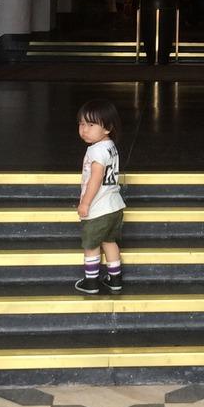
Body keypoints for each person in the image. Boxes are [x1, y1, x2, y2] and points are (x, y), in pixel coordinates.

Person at [74, 99, 125, 294]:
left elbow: (96, 178)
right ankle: (115, 279)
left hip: (98, 208)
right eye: (81, 124)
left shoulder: (96, 150)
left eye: (91, 125)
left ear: (108, 128)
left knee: (91, 245)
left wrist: (85, 203)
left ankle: (91, 282)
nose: (84, 130)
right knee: (109, 242)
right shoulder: (110, 146)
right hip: (114, 206)